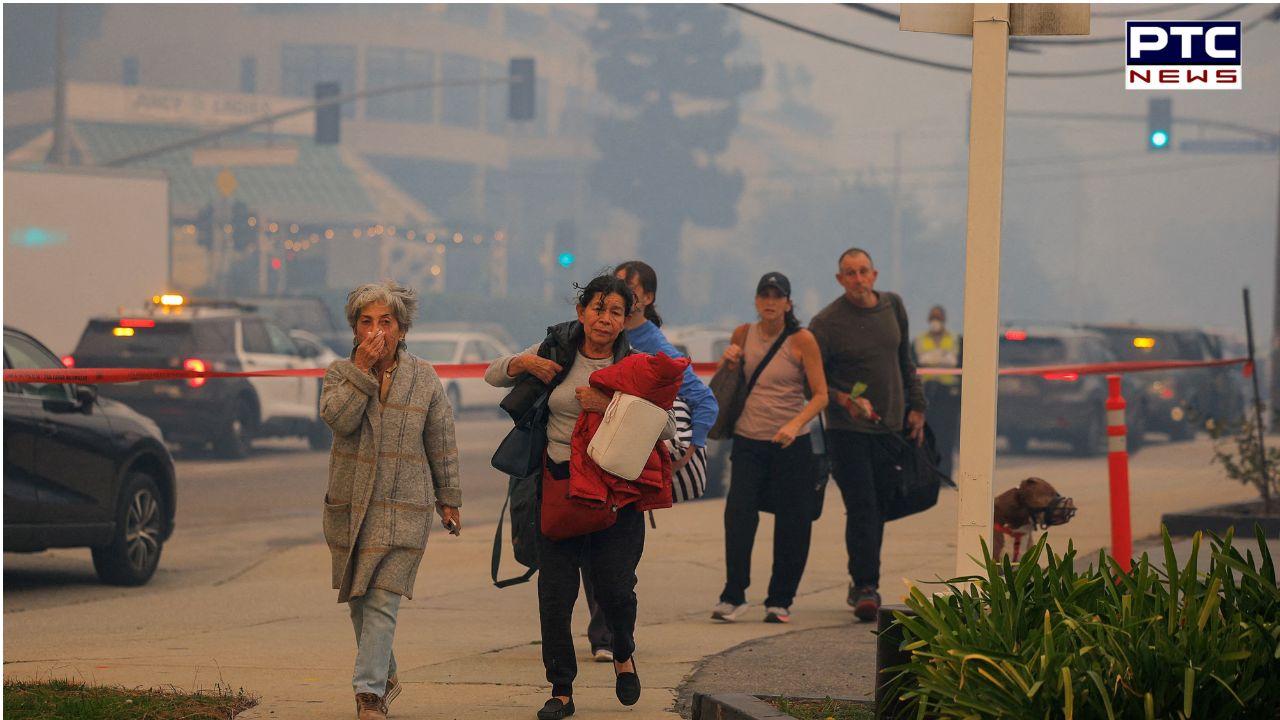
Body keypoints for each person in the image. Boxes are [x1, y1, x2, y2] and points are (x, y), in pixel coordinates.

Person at [485, 274, 676, 720]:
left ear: (626, 319)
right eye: (597, 308)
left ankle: (624, 653)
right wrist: (524, 365)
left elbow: (667, 427)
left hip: (615, 497)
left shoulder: (640, 364)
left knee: (615, 590)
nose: (604, 319)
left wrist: (610, 406)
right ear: (581, 312)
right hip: (559, 489)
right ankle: (562, 691)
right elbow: (492, 374)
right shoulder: (555, 348)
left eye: (615, 312)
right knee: (555, 595)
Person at [556, 260, 716, 662]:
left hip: (623, 468)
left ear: (644, 300)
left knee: (612, 563)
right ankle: (604, 634)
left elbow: (702, 400)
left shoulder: (652, 344)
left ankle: (609, 635)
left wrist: (688, 449)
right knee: (587, 555)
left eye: (628, 288)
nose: (616, 294)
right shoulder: (580, 339)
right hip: (579, 465)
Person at [320, 280, 463, 720]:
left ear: (402, 330)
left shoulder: (424, 377)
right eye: (366, 322)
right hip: (351, 505)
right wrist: (362, 373)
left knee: (382, 597)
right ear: (354, 329)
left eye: (386, 322)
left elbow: (440, 438)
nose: (376, 331)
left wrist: (449, 497)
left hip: (405, 506)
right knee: (359, 599)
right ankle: (384, 671)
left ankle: (368, 696)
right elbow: (338, 420)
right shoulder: (339, 374)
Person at [710, 272, 837, 625]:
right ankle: (732, 595)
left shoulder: (802, 340)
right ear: (756, 300)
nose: (770, 301)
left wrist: (795, 424)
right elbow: (726, 384)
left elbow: (821, 395)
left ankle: (780, 599)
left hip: (790, 444)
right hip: (749, 441)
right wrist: (729, 361)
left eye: (777, 296)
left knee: (793, 522)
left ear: (788, 303)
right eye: (764, 295)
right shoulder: (741, 334)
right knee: (738, 516)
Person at [809, 249, 927, 623]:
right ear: (840, 279)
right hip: (848, 431)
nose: (858, 279)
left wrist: (917, 406)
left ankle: (864, 579)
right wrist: (843, 399)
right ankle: (865, 585)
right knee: (863, 505)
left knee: (882, 503)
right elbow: (813, 377)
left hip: (890, 426)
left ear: (874, 274)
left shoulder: (893, 306)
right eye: (850, 273)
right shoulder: (826, 323)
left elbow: (905, 359)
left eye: (863, 272)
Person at [913, 305, 961, 477]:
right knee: (926, 436)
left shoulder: (955, 339)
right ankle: (928, 474)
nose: (936, 321)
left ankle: (945, 473)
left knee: (946, 437)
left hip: (948, 396)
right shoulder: (919, 340)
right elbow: (913, 365)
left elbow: (960, 364)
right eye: (933, 317)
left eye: (938, 317)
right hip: (926, 395)